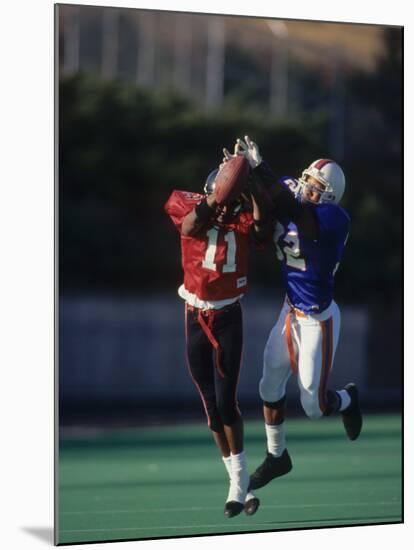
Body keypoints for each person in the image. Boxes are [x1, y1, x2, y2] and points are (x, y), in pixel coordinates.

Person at [230, 136, 362, 492]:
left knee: (314, 406)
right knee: (268, 383)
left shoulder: (334, 219)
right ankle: (277, 456)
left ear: (331, 196)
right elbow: (270, 199)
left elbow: (294, 211)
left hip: (318, 319)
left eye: (317, 188)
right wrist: (240, 174)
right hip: (290, 308)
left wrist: (262, 169)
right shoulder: (292, 191)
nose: (308, 189)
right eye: (308, 181)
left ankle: (348, 399)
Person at [164, 158, 270, 517]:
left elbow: (261, 231)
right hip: (194, 314)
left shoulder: (243, 219)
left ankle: (238, 485)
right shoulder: (191, 205)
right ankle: (238, 483)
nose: (226, 206)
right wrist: (217, 198)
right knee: (210, 406)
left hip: (227, 316)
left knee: (227, 402)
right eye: (222, 196)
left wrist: (252, 185)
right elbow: (190, 225)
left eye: (231, 199)